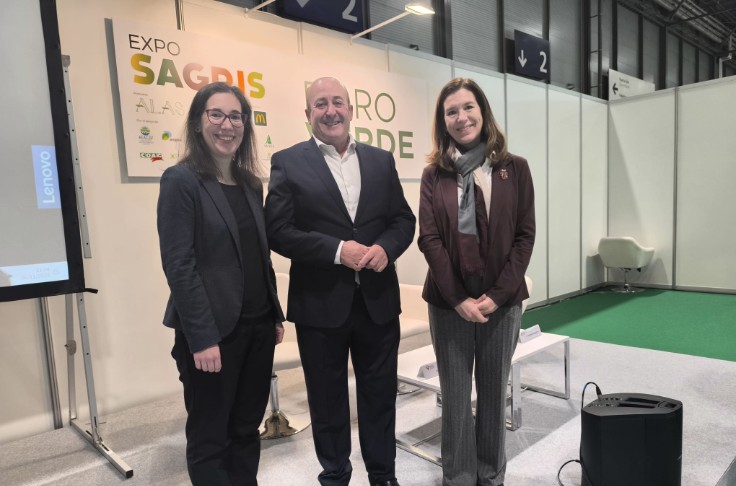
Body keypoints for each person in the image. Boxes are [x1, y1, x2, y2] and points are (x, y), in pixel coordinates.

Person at [264, 77, 415, 486]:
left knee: (379, 396)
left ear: (350, 109)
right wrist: (336, 250)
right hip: (320, 306)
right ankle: (335, 475)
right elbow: (277, 231)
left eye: (337, 102)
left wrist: (386, 248)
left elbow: (403, 219)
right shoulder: (288, 162)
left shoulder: (381, 160)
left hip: (378, 302)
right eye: (320, 104)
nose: (330, 111)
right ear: (307, 114)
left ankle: (383, 476)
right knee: (327, 400)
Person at [157, 82, 285, 486]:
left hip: (258, 328)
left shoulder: (250, 184)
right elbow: (179, 265)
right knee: (210, 436)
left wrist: (274, 314)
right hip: (212, 334)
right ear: (198, 123)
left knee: (246, 429)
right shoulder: (181, 181)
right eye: (216, 114)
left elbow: (259, 256)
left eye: (236, 116)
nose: (227, 125)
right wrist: (201, 338)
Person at [418, 77, 535, 486]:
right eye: (451, 111)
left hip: (501, 304)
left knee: (493, 395)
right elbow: (429, 238)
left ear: (483, 111)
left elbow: (524, 236)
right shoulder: (434, 175)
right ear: (443, 121)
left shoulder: (514, 169)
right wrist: (458, 299)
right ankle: (459, 478)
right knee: (454, 398)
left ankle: (490, 476)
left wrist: (497, 296)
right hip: (449, 304)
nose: (461, 117)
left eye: (468, 107)